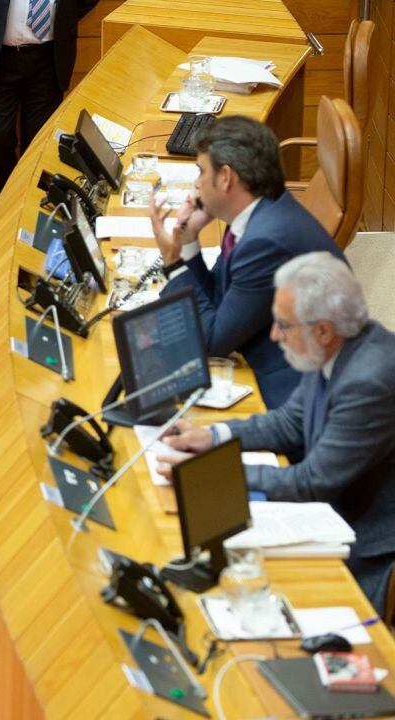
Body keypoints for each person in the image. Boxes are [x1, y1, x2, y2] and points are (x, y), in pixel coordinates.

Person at [157, 252, 395, 613]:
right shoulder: (336, 346)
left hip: (369, 542)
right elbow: (289, 422)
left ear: (323, 329)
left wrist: (207, 474)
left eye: (283, 325)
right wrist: (213, 436)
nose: (273, 334)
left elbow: (312, 482)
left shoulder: (369, 380)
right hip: (334, 512)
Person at [150, 115, 344, 409]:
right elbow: (219, 299)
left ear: (226, 177)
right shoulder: (257, 214)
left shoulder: (265, 241)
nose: (196, 185)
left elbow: (211, 342)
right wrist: (188, 239)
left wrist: (174, 263)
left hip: (299, 395)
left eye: (201, 172)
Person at [0, 0, 99, 197]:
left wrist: (63, 17)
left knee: (38, 141)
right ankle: (6, 204)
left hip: (48, 58)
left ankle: (29, 208)